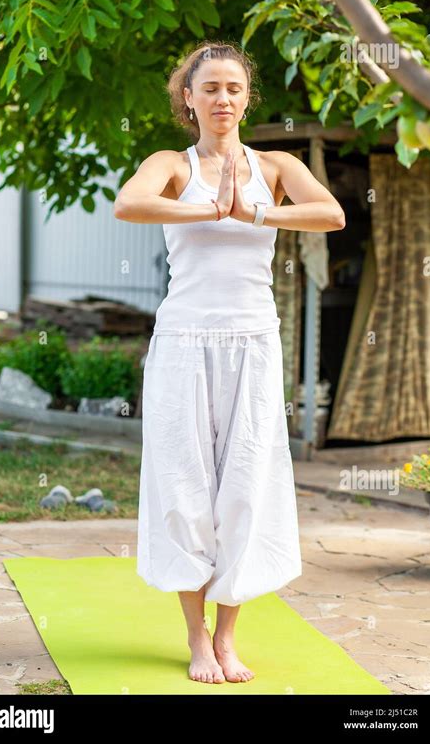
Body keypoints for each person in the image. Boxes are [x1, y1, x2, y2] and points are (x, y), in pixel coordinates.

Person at [114, 41, 345, 685]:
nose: (222, 99)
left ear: (247, 99)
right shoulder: (169, 162)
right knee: (184, 485)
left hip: (252, 339)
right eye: (209, 88)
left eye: (233, 89)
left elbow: (332, 213)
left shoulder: (274, 166)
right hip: (185, 341)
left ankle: (228, 637)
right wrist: (205, 207)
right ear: (188, 98)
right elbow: (128, 204)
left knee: (245, 484)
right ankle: (194, 636)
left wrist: (253, 209)